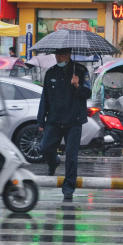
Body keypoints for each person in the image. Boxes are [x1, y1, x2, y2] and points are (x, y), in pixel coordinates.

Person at [38, 48, 91, 201]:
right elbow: (45, 98)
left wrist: (77, 85)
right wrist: (41, 119)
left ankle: (68, 188)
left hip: (74, 121)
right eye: (56, 55)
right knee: (45, 147)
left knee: (71, 157)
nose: (57, 58)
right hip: (54, 119)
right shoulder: (51, 73)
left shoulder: (81, 71)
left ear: (68, 55)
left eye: (60, 55)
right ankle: (53, 162)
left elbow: (87, 94)